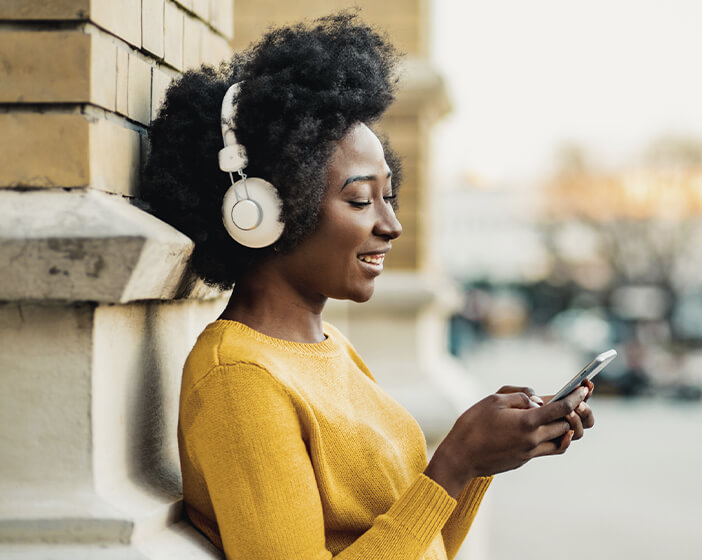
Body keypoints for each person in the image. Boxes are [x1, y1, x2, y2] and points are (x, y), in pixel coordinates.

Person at [141, 12, 594, 560]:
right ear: (259, 211)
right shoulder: (239, 381)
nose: (391, 224)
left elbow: (424, 547)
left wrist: (481, 462)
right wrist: (453, 464)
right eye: (360, 200)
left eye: (389, 196)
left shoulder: (330, 347)